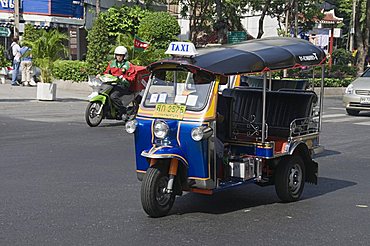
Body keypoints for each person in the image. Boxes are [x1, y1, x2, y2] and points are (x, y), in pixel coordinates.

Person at [101, 46, 135, 119]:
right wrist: (101, 75)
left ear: (124, 56)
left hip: (123, 85)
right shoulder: (111, 63)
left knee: (113, 96)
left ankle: (123, 112)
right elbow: (106, 72)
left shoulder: (128, 65)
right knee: (104, 93)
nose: (119, 57)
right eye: (117, 55)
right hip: (112, 84)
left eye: (121, 55)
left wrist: (125, 78)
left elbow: (132, 76)